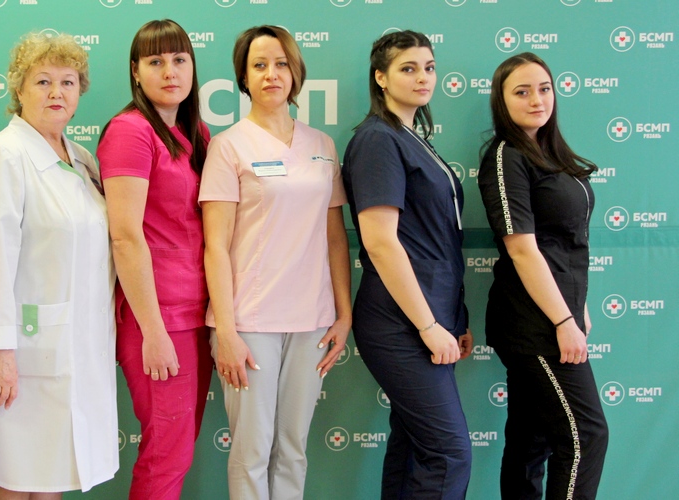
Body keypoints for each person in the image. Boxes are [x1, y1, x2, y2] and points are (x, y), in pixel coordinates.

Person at [199, 25, 352, 499]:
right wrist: (226, 331)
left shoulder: (322, 146)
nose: (272, 74)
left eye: (281, 64)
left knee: (293, 448)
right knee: (252, 451)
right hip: (251, 323)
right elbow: (215, 245)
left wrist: (344, 314)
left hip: (312, 321)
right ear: (243, 78)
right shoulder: (228, 146)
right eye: (260, 65)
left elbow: (335, 239)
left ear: (296, 73)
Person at [0, 32, 118, 498]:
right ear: (19, 89)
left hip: (75, 345)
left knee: (52, 475)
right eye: (43, 81)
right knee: (15, 475)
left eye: (67, 82)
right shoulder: (4, 156)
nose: (56, 92)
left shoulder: (81, 159)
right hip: (21, 352)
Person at [341, 30, 473, 499]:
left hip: (430, 315)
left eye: (429, 67)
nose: (423, 77)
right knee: (449, 454)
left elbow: (436, 240)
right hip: (400, 322)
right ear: (380, 78)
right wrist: (428, 325)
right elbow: (381, 243)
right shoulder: (378, 140)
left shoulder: (411, 138)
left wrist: (454, 319)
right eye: (408, 68)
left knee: (416, 447)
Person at [478, 52, 608, 500]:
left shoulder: (550, 154)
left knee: (531, 441)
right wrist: (563, 320)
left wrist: (577, 307)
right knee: (586, 436)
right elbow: (521, 248)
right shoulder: (507, 156)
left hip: (556, 315)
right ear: (502, 101)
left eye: (544, 89)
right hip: (533, 325)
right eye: (522, 91)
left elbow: (564, 244)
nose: (537, 100)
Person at [96, 19, 211, 500]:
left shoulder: (195, 132)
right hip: (157, 319)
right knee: (167, 454)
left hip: (195, 313)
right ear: (135, 71)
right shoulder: (131, 131)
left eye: (179, 59)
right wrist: (154, 331)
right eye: (156, 61)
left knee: (177, 450)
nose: (170, 71)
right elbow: (125, 237)